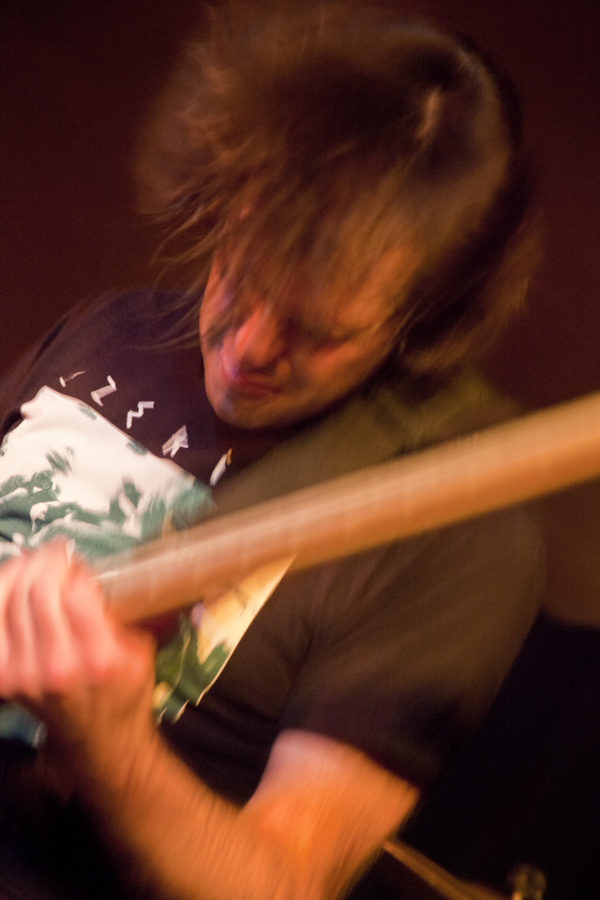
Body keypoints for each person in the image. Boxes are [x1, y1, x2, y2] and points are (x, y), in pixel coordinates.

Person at [0, 3, 543, 898]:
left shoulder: (459, 525)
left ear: (421, 325)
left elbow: (286, 884)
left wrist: (113, 748)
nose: (247, 347)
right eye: (239, 274)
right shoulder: (116, 326)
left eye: (319, 331)